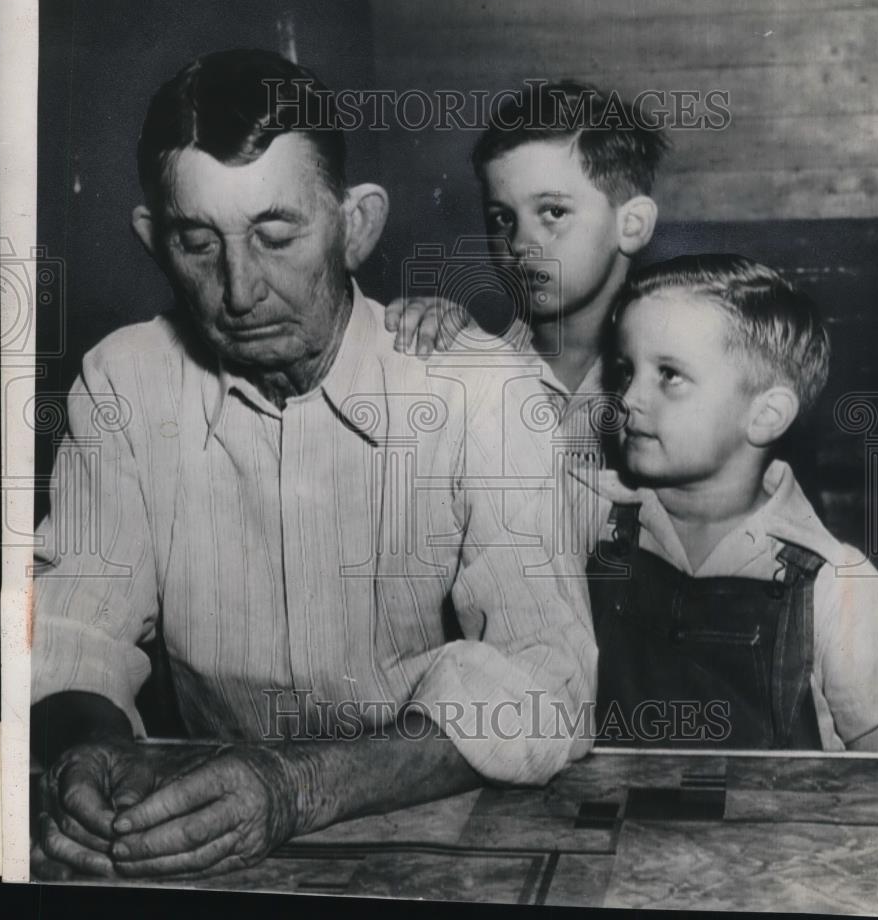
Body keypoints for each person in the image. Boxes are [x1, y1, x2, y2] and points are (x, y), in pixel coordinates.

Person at [29, 49, 597, 881]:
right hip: (204, 834)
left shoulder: (485, 390)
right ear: (153, 242)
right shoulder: (123, 380)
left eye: (276, 234)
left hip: (442, 838)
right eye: (198, 242)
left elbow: (545, 680)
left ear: (356, 225)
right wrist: (88, 751)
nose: (239, 289)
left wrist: (298, 787)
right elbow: (72, 625)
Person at [583, 255, 878, 750]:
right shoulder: (583, 519)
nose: (628, 398)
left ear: (766, 415)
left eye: (669, 375)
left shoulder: (834, 583)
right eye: (625, 370)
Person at [385, 79, 667, 464]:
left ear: (632, 225)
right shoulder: (471, 362)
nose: (519, 244)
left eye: (553, 212)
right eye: (502, 218)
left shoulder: (673, 382)